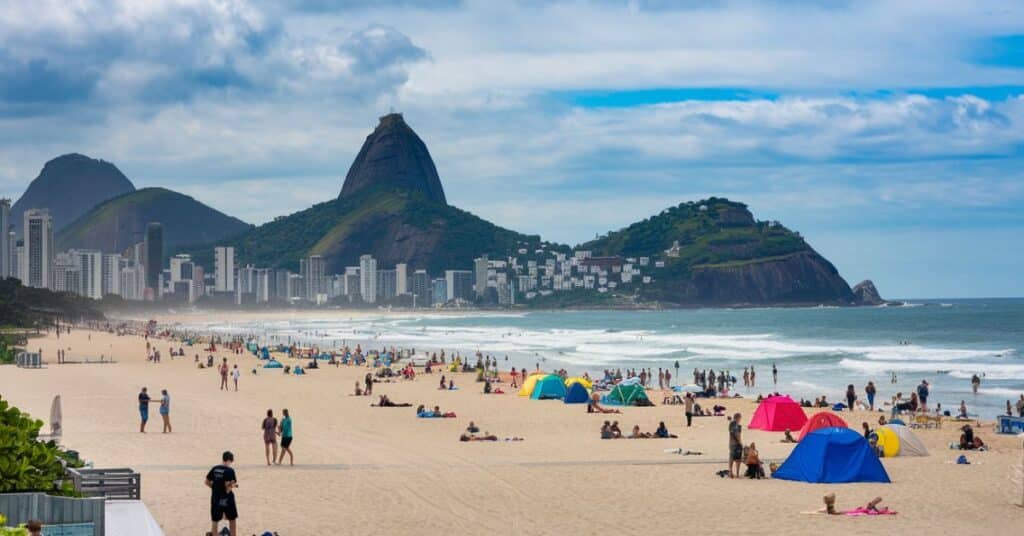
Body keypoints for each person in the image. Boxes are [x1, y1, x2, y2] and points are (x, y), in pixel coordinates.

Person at [206, 451, 238, 536]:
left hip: (215, 498)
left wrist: (215, 488)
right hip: (227, 499)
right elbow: (227, 488)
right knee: (232, 519)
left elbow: (207, 481)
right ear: (229, 460)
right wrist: (233, 485)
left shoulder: (215, 468)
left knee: (215, 520)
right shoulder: (230, 471)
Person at [728, 413, 743, 478]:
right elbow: (737, 434)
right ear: (738, 418)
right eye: (740, 418)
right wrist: (740, 442)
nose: (740, 419)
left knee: (731, 458)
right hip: (736, 444)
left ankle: (730, 471)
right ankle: (737, 474)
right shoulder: (737, 425)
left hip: (731, 443)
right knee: (738, 459)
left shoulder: (731, 424)